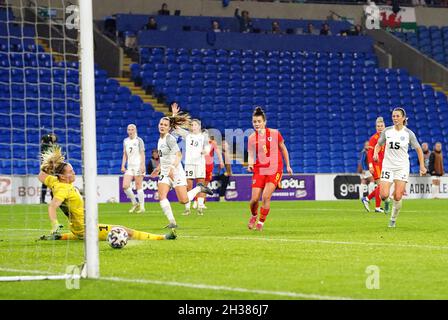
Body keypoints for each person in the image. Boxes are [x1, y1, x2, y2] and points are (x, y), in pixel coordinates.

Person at [38, 146, 176, 241]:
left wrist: (53, 163)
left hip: (78, 228)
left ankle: (60, 237)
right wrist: (54, 224)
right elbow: (52, 206)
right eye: (70, 172)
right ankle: (162, 237)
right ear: (62, 176)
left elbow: (41, 175)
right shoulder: (63, 189)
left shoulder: (55, 181)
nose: (74, 173)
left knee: (84, 231)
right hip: (87, 229)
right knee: (122, 230)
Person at [150, 111, 213, 228]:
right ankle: (172, 222)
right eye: (161, 124)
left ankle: (199, 188)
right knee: (161, 196)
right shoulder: (160, 140)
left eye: (165, 125)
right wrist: (158, 168)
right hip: (165, 172)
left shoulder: (170, 139)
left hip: (176, 172)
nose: (162, 126)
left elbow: (178, 155)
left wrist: (172, 168)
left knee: (183, 200)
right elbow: (164, 158)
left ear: (169, 128)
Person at [373, 107, 427, 228]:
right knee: (383, 194)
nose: (395, 118)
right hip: (388, 166)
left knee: (398, 195)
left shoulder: (408, 133)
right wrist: (375, 153)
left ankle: (393, 219)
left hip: (402, 167)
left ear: (403, 118)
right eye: (393, 116)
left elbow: (418, 149)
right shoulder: (387, 131)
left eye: (397, 116)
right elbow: (378, 144)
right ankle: (386, 201)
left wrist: (422, 166)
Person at [247, 107, 293, 231]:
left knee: (266, 196)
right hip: (259, 169)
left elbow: (283, 148)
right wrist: (250, 164)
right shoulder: (251, 138)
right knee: (254, 200)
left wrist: (288, 165)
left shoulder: (274, 133)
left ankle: (261, 222)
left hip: (275, 168)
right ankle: (254, 215)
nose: (256, 124)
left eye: (259, 121)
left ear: (264, 122)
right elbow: (251, 154)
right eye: (254, 122)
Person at [171, 103, 210, 215]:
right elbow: (175, 127)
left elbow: (207, 146)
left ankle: (200, 207)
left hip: (200, 163)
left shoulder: (204, 136)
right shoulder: (187, 135)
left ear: (199, 126)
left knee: (201, 185)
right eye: (191, 125)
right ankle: (187, 208)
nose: (193, 127)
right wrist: (174, 114)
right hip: (189, 163)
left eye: (195, 125)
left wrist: (205, 151)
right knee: (188, 185)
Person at [361, 117, 386, 213]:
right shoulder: (373, 138)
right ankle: (377, 207)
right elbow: (370, 153)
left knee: (381, 186)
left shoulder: (387, 137)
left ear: (384, 126)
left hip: (384, 165)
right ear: (376, 127)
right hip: (376, 165)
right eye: (378, 126)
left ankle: (367, 199)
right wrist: (370, 165)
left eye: (381, 126)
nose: (380, 128)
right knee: (381, 185)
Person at [121, 124, 146, 213]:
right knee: (125, 186)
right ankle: (135, 203)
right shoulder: (125, 141)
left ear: (135, 130)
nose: (130, 131)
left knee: (138, 185)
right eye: (129, 129)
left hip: (138, 165)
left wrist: (142, 165)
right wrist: (123, 165)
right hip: (130, 166)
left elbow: (142, 153)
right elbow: (125, 154)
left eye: (132, 129)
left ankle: (142, 207)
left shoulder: (139, 140)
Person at [40, 133, 58, 204]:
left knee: (52, 183)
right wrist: (49, 136)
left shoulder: (53, 146)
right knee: (45, 183)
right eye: (53, 137)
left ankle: (53, 198)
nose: (54, 138)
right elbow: (44, 137)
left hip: (52, 166)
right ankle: (42, 199)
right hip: (46, 166)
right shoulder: (44, 146)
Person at [217, 137, 231, 202]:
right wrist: (224, 172)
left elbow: (228, 164)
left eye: (225, 144)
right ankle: (221, 197)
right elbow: (219, 163)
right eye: (223, 144)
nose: (224, 145)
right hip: (220, 172)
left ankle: (222, 197)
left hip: (225, 171)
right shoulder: (219, 153)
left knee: (226, 181)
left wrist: (229, 172)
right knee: (225, 180)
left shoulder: (227, 153)